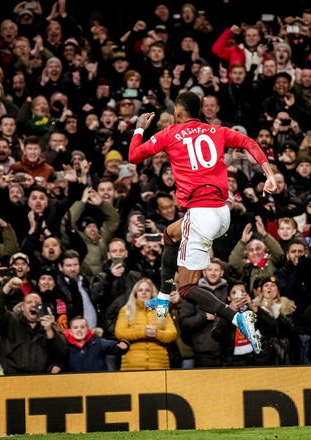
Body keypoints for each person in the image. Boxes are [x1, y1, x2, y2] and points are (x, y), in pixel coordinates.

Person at [129, 91, 277, 353]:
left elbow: (134, 156)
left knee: (186, 288)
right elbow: (250, 143)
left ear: (177, 112)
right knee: (169, 235)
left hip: (199, 215)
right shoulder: (217, 131)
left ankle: (236, 317)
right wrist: (269, 174)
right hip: (221, 213)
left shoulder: (170, 133)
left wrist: (139, 129)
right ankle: (163, 297)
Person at [114, 279, 177, 371]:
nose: (144, 293)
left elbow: (172, 333)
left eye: (147, 290)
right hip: (132, 365)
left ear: (152, 293)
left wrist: (157, 333)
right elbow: (120, 332)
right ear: (135, 293)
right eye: (140, 290)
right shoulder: (126, 310)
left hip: (158, 364)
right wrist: (143, 332)